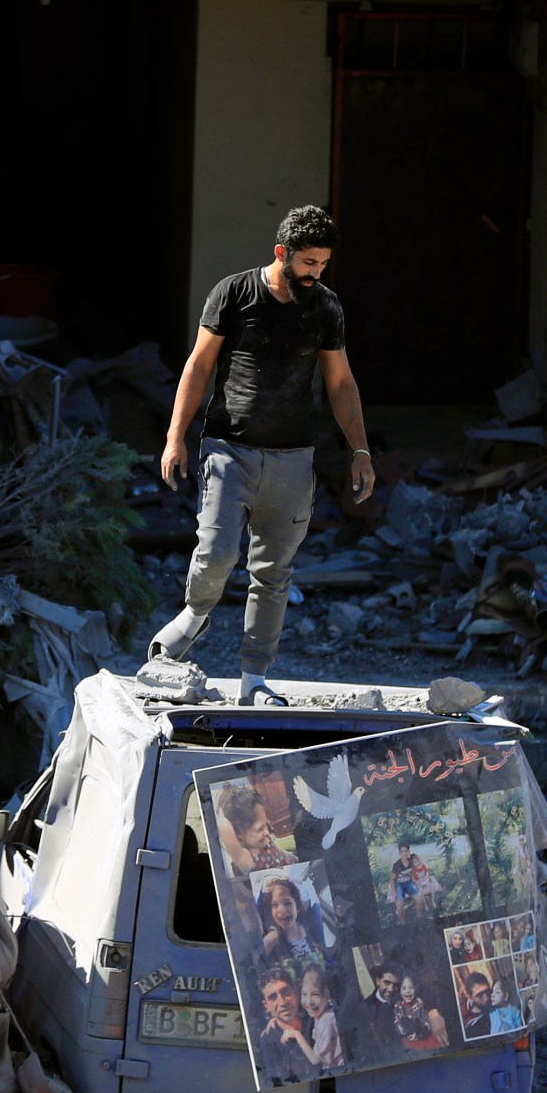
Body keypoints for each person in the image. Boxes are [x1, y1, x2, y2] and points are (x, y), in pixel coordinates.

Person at [141, 206, 373, 706]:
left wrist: (360, 449)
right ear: (281, 253)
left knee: (273, 573)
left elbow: (341, 383)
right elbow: (199, 366)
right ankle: (194, 615)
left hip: (292, 459)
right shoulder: (234, 293)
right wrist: (175, 436)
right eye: (308, 262)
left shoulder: (326, 308)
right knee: (218, 552)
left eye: (323, 263)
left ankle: (254, 680)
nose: (316, 272)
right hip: (229, 447)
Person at [219, 783, 295, 876]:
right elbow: (222, 825)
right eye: (260, 829)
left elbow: (278, 851)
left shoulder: (262, 840)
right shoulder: (246, 859)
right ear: (239, 834)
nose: (266, 832)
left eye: (265, 825)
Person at [258, 968, 317, 1082]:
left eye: (285, 992)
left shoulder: (316, 1019)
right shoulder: (268, 1039)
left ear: (295, 990)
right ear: (266, 1005)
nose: (283, 1002)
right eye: (273, 997)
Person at [257, 877, 324, 972]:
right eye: (275, 905)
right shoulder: (274, 937)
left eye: (287, 903)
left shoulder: (304, 927)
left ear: (297, 907)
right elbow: (256, 959)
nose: (281, 910)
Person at [299, 965, 347, 1069]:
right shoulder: (321, 1016)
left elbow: (315, 1059)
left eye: (315, 994)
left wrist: (297, 1035)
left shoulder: (327, 1020)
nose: (309, 1002)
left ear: (328, 994)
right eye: (304, 994)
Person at [393, 973, 449, 1051]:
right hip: (410, 1043)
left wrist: (418, 1030)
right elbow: (398, 1023)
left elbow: (425, 1020)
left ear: (415, 989)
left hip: (425, 1038)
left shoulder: (419, 1002)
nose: (407, 991)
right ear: (400, 990)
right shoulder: (398, 1005)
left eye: (411, 988)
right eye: (404, 988)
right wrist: (405, 1031)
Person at [458, 969, 493, 1035]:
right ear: (470, 998)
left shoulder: (497, 1002)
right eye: (480, 995)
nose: (487, 998)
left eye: (488, 991)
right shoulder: (463, 1018)